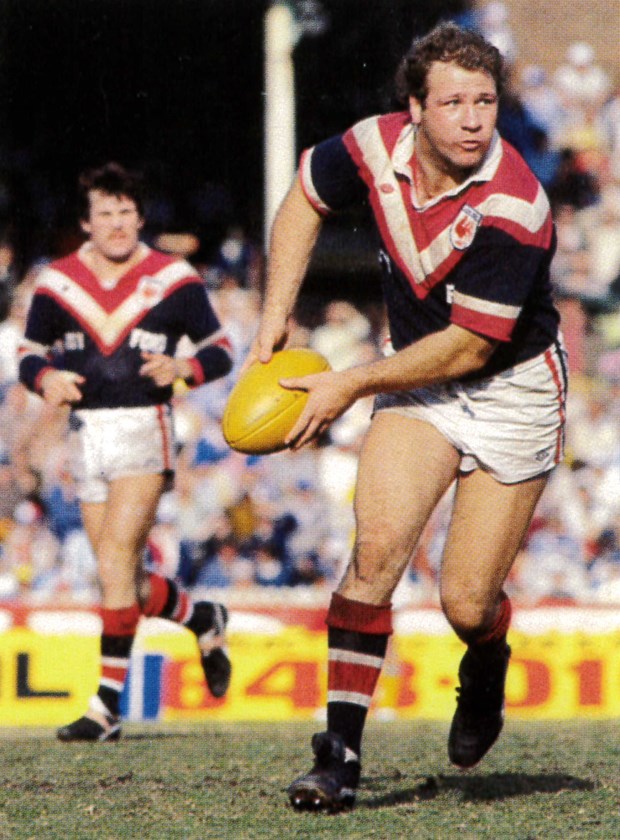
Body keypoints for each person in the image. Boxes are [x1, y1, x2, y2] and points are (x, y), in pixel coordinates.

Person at [247, 23, 567, 811]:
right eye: (453, 102)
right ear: (414, 110)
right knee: (376, 552)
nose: (473, 119)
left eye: (485, 101)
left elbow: (467, 348)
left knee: (466, 602)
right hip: (419, 382)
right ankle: (338, 757)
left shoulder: (516, 202)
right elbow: (304, 198)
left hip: (510, 390)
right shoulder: (371, 146)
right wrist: (275, 315)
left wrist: (350, 383)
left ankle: (487, 657)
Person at [18, 162, 234, 741]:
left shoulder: (173, 278)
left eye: (125, 212)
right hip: (85, 433)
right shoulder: (58, 281)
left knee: (115, 562)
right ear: (86, 223)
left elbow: (221, 349)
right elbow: (29, 352)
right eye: (105, 213)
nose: (116, 223)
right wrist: (45, 379)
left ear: (140, 219)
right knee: (122, 579)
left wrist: (184, 368)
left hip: (145, 426)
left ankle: (105, 708)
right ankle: (202, 617)